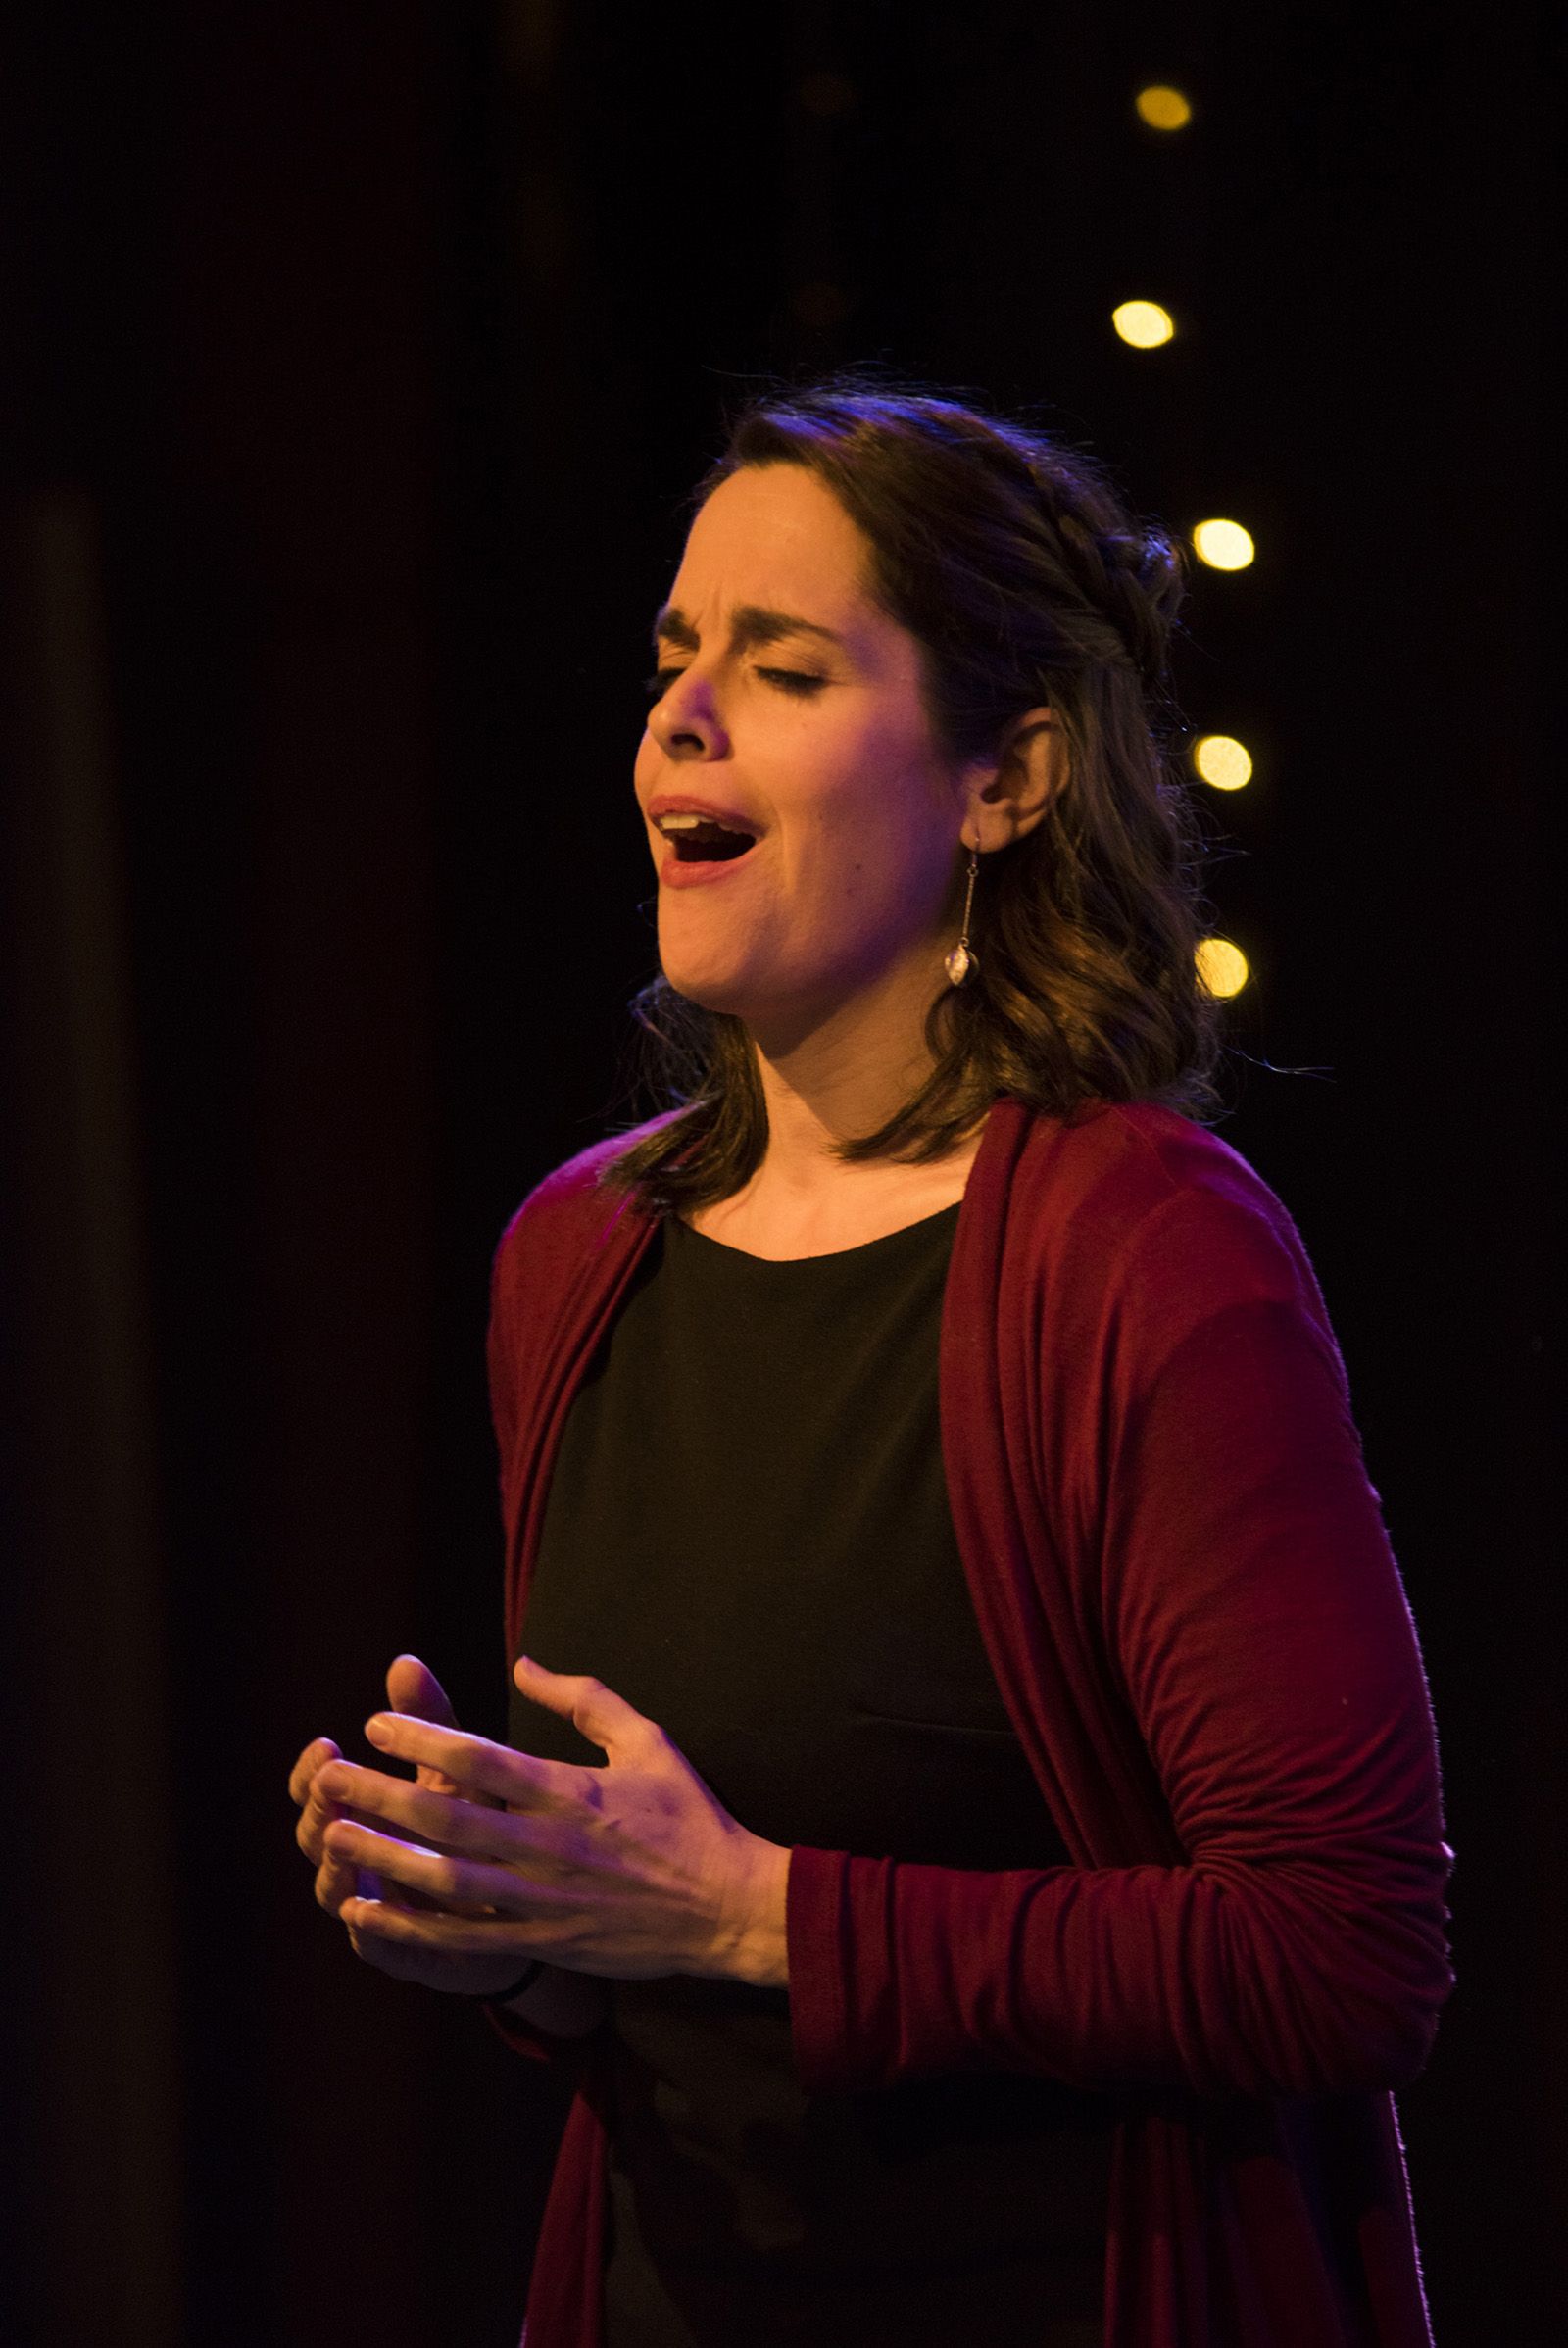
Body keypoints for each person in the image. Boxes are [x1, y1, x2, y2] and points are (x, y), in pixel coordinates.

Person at [288, 381, 1453, 2348]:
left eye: (786, 662)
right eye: (672, 656)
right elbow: (669, 1972)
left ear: (1000, 779)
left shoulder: (1143, 1251)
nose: (680, 713)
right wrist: (515, 1924)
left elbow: (1340, 1952)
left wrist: (755, 1911)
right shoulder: (577, 1254)